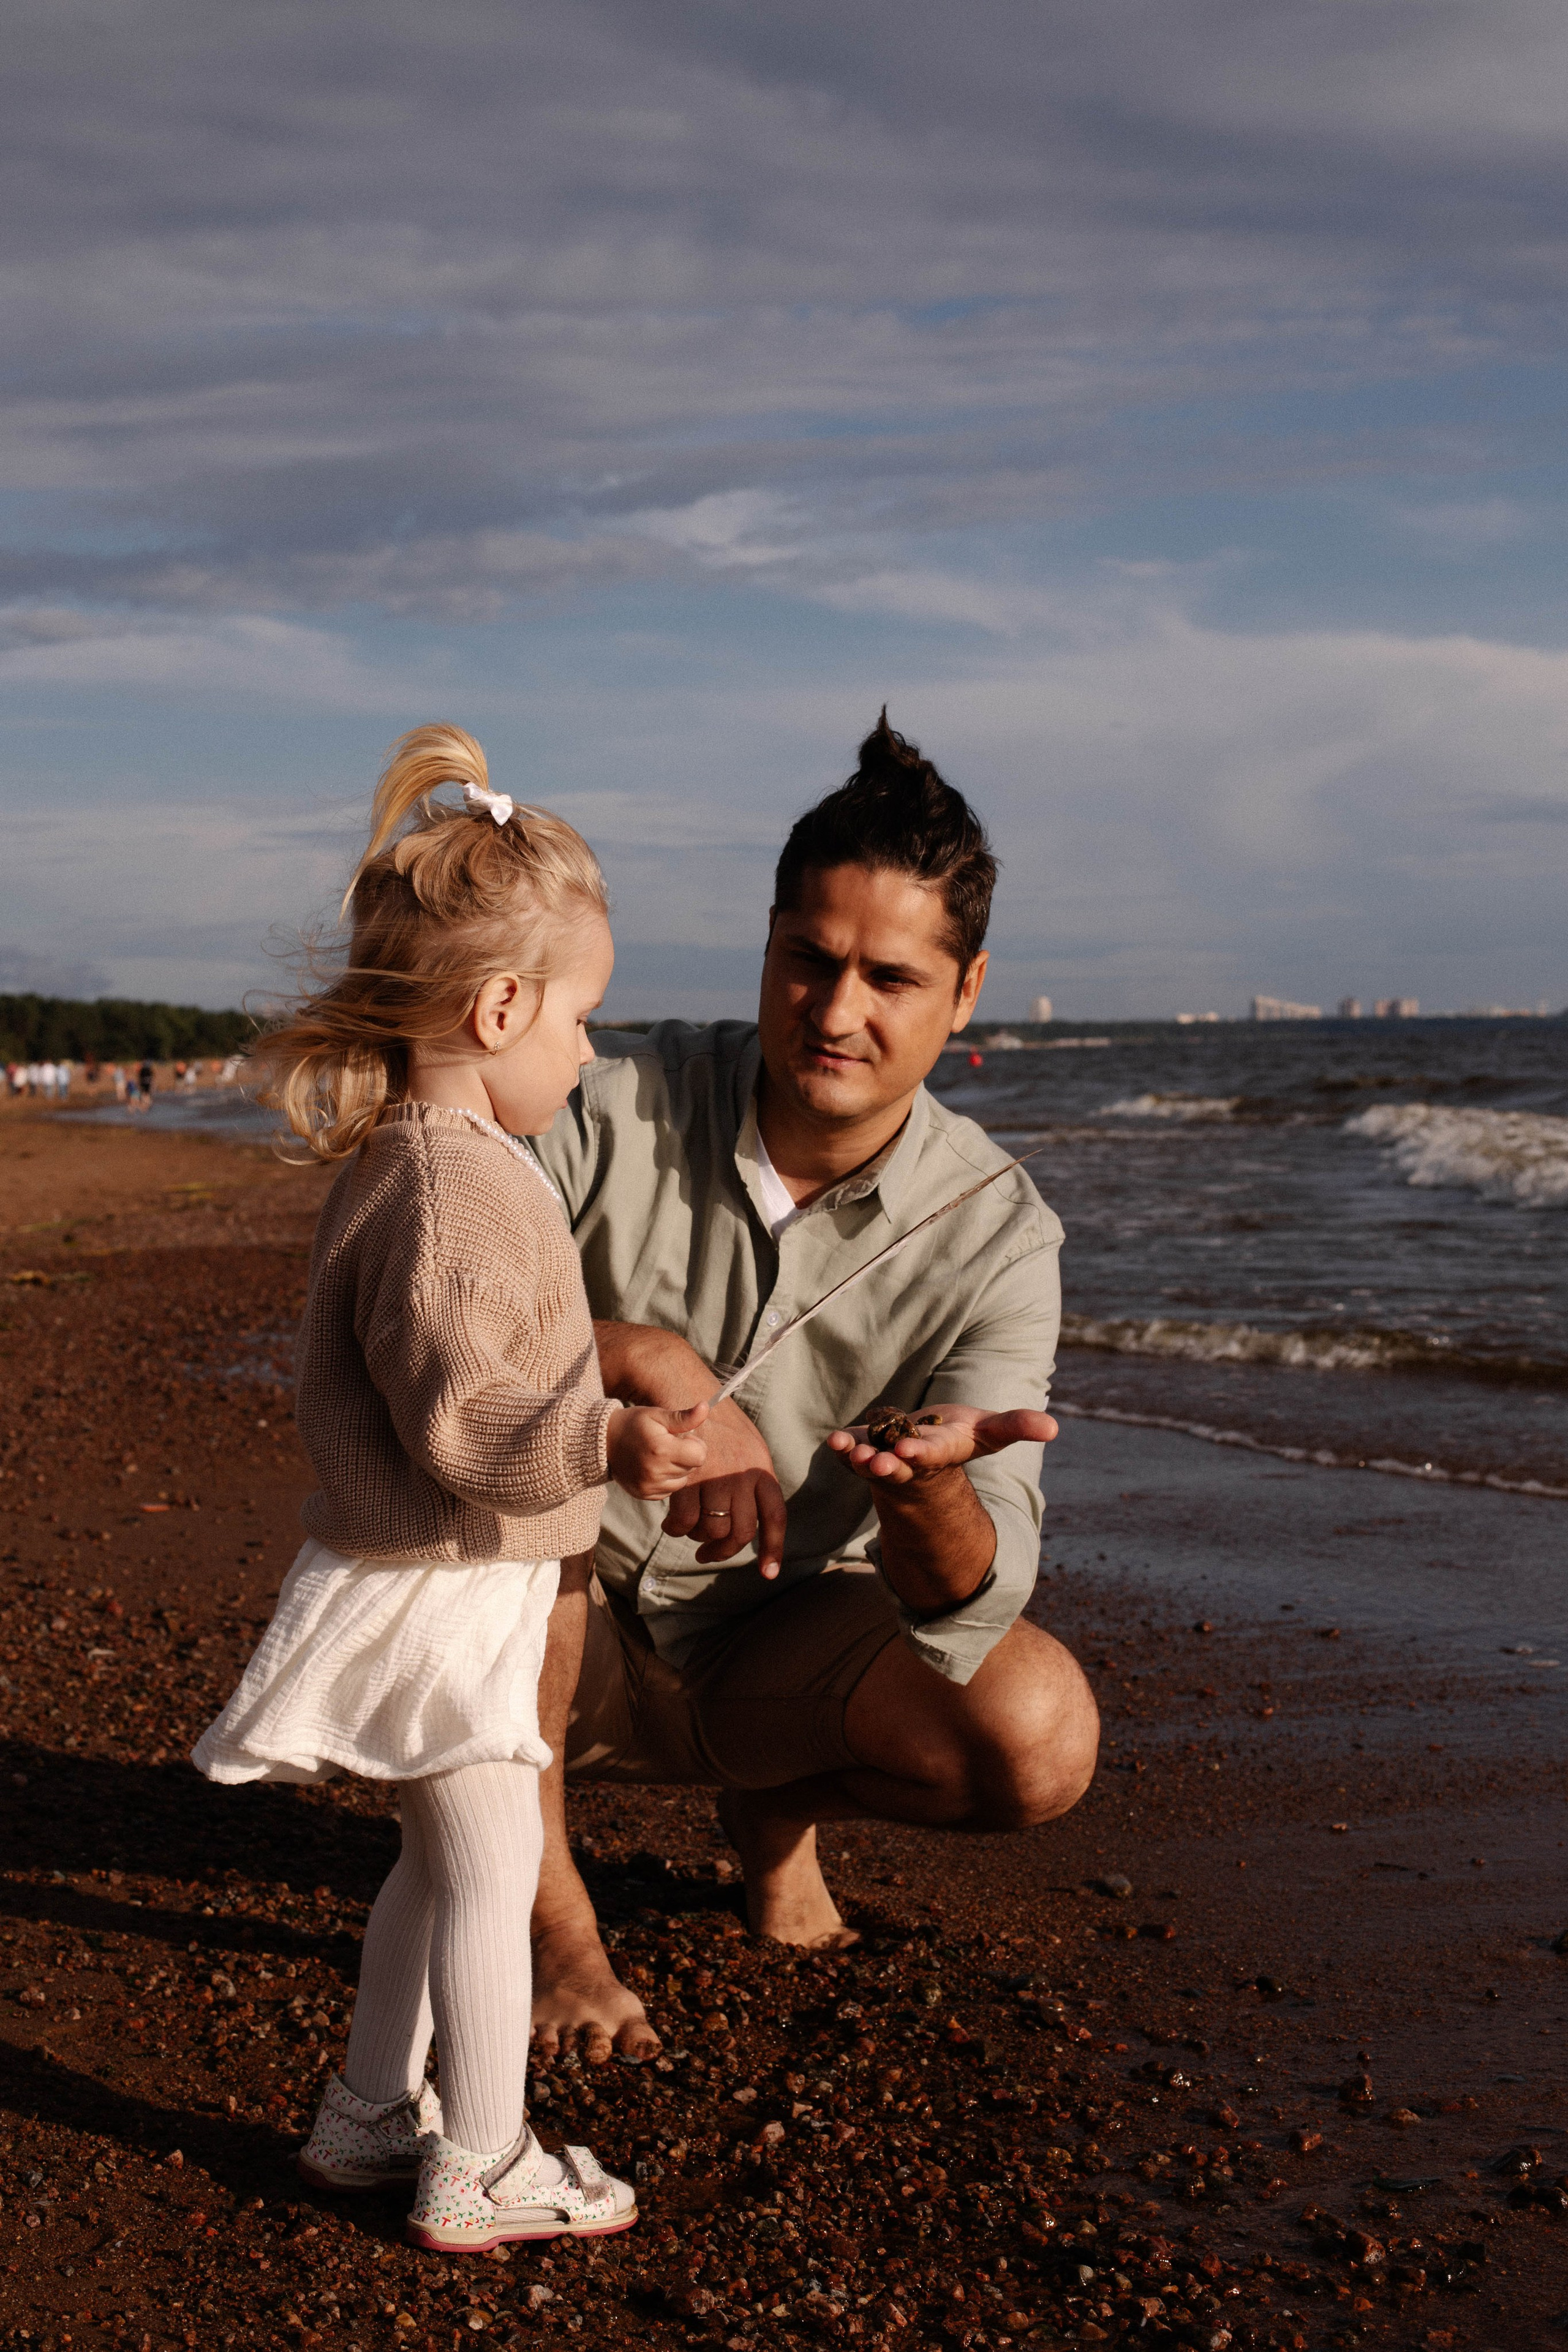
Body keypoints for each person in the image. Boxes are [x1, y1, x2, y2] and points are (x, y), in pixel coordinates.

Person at [527, 714, 1099, 2064]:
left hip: (759, 1650)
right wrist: (640, 1361)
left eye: (889, 979)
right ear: (769, 942)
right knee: (513, 1527)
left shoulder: (998, 1233)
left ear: (962, 996)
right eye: (810, 960)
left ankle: (770, 1819)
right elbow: (428, 1309)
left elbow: (976, 1591)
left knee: (1037, 1738)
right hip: (536, 1632)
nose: (836, 1013)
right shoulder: (603, 1103)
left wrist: (935, 1496)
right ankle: (549, 1925)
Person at [194, 723, 694, 2253]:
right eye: (581, 1022)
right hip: (442, 1581)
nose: (591, 1053)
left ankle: (365, 2113)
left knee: (432, 1867)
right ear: (498, 1006)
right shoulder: (447, 1180)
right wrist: (602, 1438)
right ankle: (482, 2158)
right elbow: (465, 1418)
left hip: (442, 1577)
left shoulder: (435, 1156)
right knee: (485, 1880)